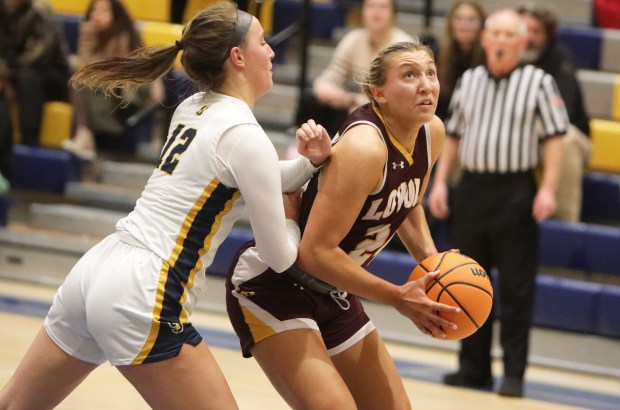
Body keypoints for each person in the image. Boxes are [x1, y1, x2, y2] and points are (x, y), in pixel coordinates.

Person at [0, 2, 331, 409]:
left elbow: (257, 174)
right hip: (145, 288)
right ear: (238, 56)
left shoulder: (193, 109)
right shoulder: (244, 134)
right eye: (263, 42)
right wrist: (294, 221)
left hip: (97, 268)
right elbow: (278, 256)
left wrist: (310, 164)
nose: (272, 51)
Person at [227, 40, 462, 409]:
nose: (426, 84)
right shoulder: (365, 147)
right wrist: (396, 296)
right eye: (410, 75)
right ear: (378, 93)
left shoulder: (432, 131)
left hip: (332, 290)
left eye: (430, 73)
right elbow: (315, 252)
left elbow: (409, 202)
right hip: (275, 282)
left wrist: (435, 267)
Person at [427, 9, 567, 398]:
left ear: (523, 43)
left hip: (515, 191)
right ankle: (473, 369)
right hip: (471, 190)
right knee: (468, 281)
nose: (502, 40)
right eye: (497, 33)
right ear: (485, 40)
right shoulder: (469, 80)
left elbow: (555, 138)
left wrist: (548, 189)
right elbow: (452, 135)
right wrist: (441, 185)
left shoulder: (540, 82)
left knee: (516, 289)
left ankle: (514, 374)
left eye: (510, 34)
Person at [61, 0, 165, 160]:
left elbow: (107, 72)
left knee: (78, 80)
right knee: (76, 79)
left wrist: (89, 37)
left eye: (104, 11)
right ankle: (84, 135)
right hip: (102, 95)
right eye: (95, 10)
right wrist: (89, 36)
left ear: (116, 15)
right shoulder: (92, 32)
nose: (97, 15)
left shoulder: (124, 37)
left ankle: (84, 134)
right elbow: (88, 67)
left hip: (124, 103)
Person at [517, 2, 592, 223]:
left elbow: (562, 116)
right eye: (524, 29)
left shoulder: (561, 60)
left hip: (571, 138)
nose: (529, 37)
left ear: (548, 35)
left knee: (564, 140)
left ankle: (564, 222)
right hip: (524, 137)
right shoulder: (508, 57)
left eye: (536, 31)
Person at [294, 0, 413, 137]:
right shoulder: (353, 39)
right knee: (310, 101)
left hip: (389, 111)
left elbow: (399, 97)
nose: (376, 12)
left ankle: (336, 155)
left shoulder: (404, 47)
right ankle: (306, 150)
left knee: (353, 115)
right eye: (371, 6)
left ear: (393, 14)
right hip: (357, 103)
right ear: (362, 11)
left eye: (383, 7)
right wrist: (327, 90)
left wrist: (352, 100)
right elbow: (331, 75)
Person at [0, 0, 71, 146]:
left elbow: (40, 56)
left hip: (51, 76)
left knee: (28, 78)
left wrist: (6, 73)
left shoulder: (39, 10)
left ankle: (29, 145)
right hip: (12, 73)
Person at [436, 0, 486, 121]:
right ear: (450, 23)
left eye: (471, 20)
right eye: (458, 19)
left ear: (482, 24)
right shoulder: (436, 54)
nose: (464, 25)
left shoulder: (489, 58)